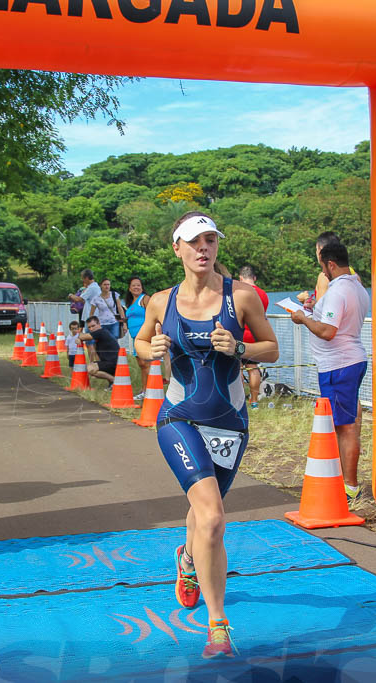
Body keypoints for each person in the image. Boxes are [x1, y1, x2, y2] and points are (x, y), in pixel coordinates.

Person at [135, 211, 278, 659]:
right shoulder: (160, 302)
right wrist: (149, 349)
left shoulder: (242, 296)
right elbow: (139, 342)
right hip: (178, 417)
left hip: (230, 422)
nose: (203, 248)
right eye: (194, 241)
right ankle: (219, 629)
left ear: (217, 246)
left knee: (204, 514)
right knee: (213, 517)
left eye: (210, 240)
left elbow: (271, 348)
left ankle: (187, 559)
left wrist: (240, 347)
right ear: (177, 248)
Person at [290, 242, 370, 501]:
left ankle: (349, 485)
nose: (322, 271)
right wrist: (310, 313)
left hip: (340, 364)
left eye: (322, 266)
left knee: (345, 427)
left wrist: (303, 318)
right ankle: (344, 482)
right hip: (346, 361)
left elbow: (328, 331)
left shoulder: (338, 291)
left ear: (330, 264)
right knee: (342, 425)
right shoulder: (357, 286)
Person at [236, 266, 269, 409]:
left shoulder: (239, 292)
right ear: (254, 278)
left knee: (238, 369)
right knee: (253, 368)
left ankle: (240, 400)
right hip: (256, 335)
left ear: (240, 278)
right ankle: (254, 401)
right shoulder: (263, 295)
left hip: (240, 334)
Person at [126, 277, 151, 399]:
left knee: (146, 363)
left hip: (145, 336)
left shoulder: (145, 299)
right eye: (133, 285)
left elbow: (153, 313)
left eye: (138, 285)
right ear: (129, 288)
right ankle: (144, 389)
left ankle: (149, 390)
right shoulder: (130, 303)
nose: (136, 287)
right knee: (141, 364)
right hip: (135, 337)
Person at [78, 315, 119, 385]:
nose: (91, 329)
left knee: (89, 369)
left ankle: (114, 381)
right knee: (93, 367)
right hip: (112, 363)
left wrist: (79, 337)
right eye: (89, 327)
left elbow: (83, 336)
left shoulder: (100, 332)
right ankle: (112, 383)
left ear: (99, 324)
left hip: (114, 364)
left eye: (93, 326)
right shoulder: (101, 333)